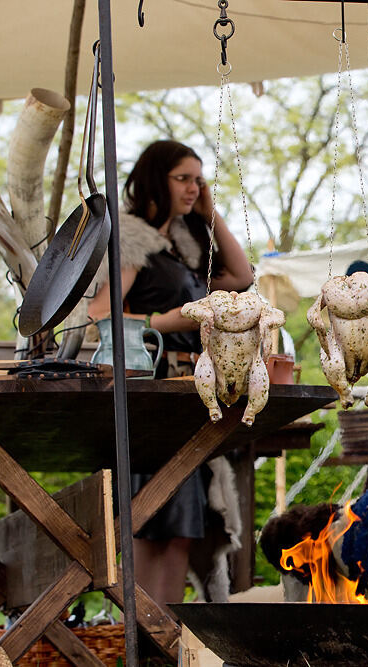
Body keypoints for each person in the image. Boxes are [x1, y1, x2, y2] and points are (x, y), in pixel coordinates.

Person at [88, 139, 254, 606]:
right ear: (154, 179)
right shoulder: (132, 238)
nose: (192, 187)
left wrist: (209, 210)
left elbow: (241, 277)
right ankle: (139, 632)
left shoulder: (183, 246)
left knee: (182, 524)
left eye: (198, 180)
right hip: (148, 390)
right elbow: (100, 315)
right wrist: (169, 321)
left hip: (188, 391)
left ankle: (167, 634)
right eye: (182, 178)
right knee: (147, 520)